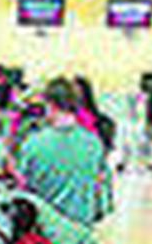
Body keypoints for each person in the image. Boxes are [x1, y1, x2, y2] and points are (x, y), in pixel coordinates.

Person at [15, 78, 107, 226]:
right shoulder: (94, 144)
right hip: (82, 233)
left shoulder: (33, 144)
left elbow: (21, 187)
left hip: (45, 235)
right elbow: (102, 196)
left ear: (50, 104)